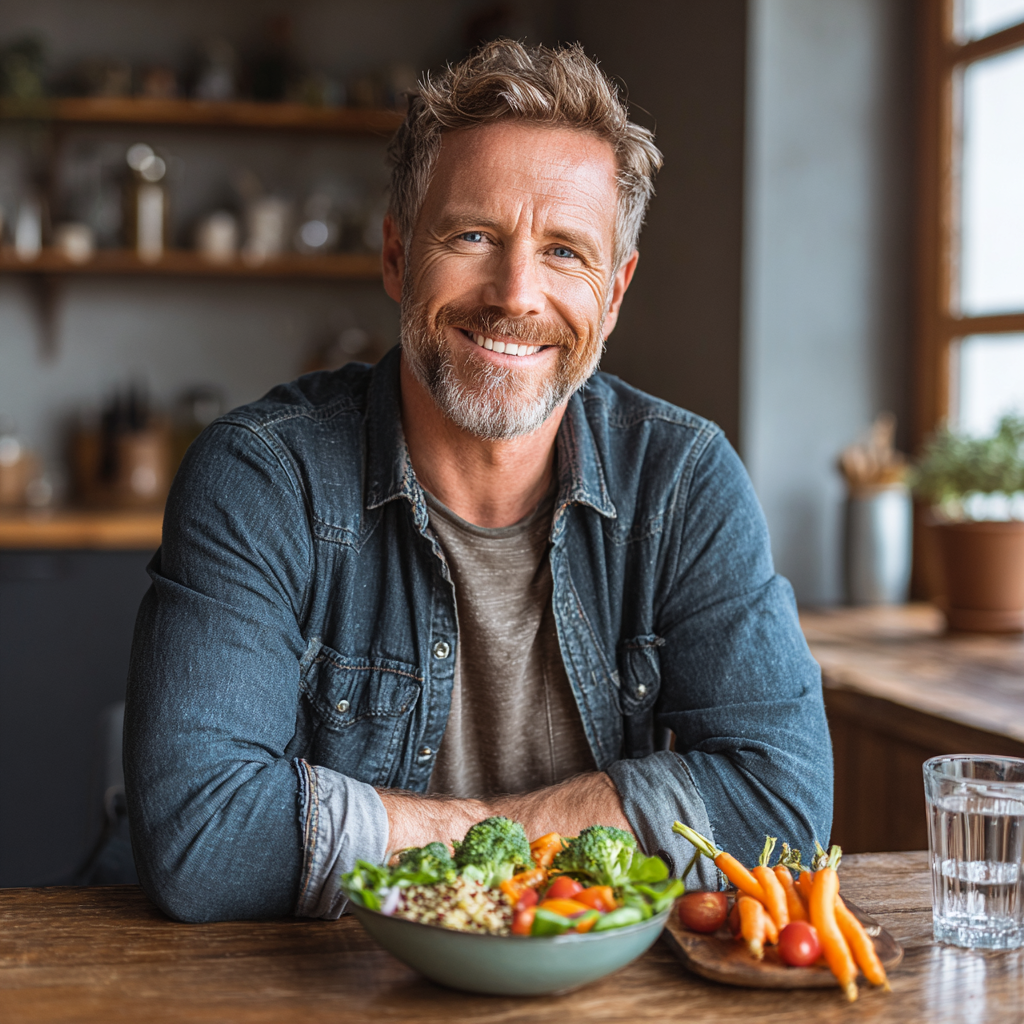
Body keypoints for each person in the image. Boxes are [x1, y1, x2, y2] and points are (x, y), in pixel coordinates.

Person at [124, 40, 832, 922]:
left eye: (566, 252)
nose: (516, 294)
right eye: (472, 236)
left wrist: (477, 837)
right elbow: (203, 839)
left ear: (614, 296)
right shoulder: (263, 478)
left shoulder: (683, 479)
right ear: (395, 256)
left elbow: (785, 812)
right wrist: (522, 836)